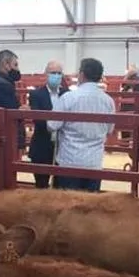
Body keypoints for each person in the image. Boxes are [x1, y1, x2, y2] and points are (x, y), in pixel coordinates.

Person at [46, 58, 115, 192]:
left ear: (81, 74)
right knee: (90, 202)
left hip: (69, 161)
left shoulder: (68, 98)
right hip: (94, 163)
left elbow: (52, 125)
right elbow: (109, 130)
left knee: (66, 201)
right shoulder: (108, 101)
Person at [28, 60, 69, 189]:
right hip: (42, 145)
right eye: (53, 73)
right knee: (41, 185)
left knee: (60, 186)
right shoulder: (36, 94)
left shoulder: (67, 94)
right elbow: (38, 119)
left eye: (59, 73)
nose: (56, 76)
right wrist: (53, 125)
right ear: (46, 74)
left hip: (63, 147)